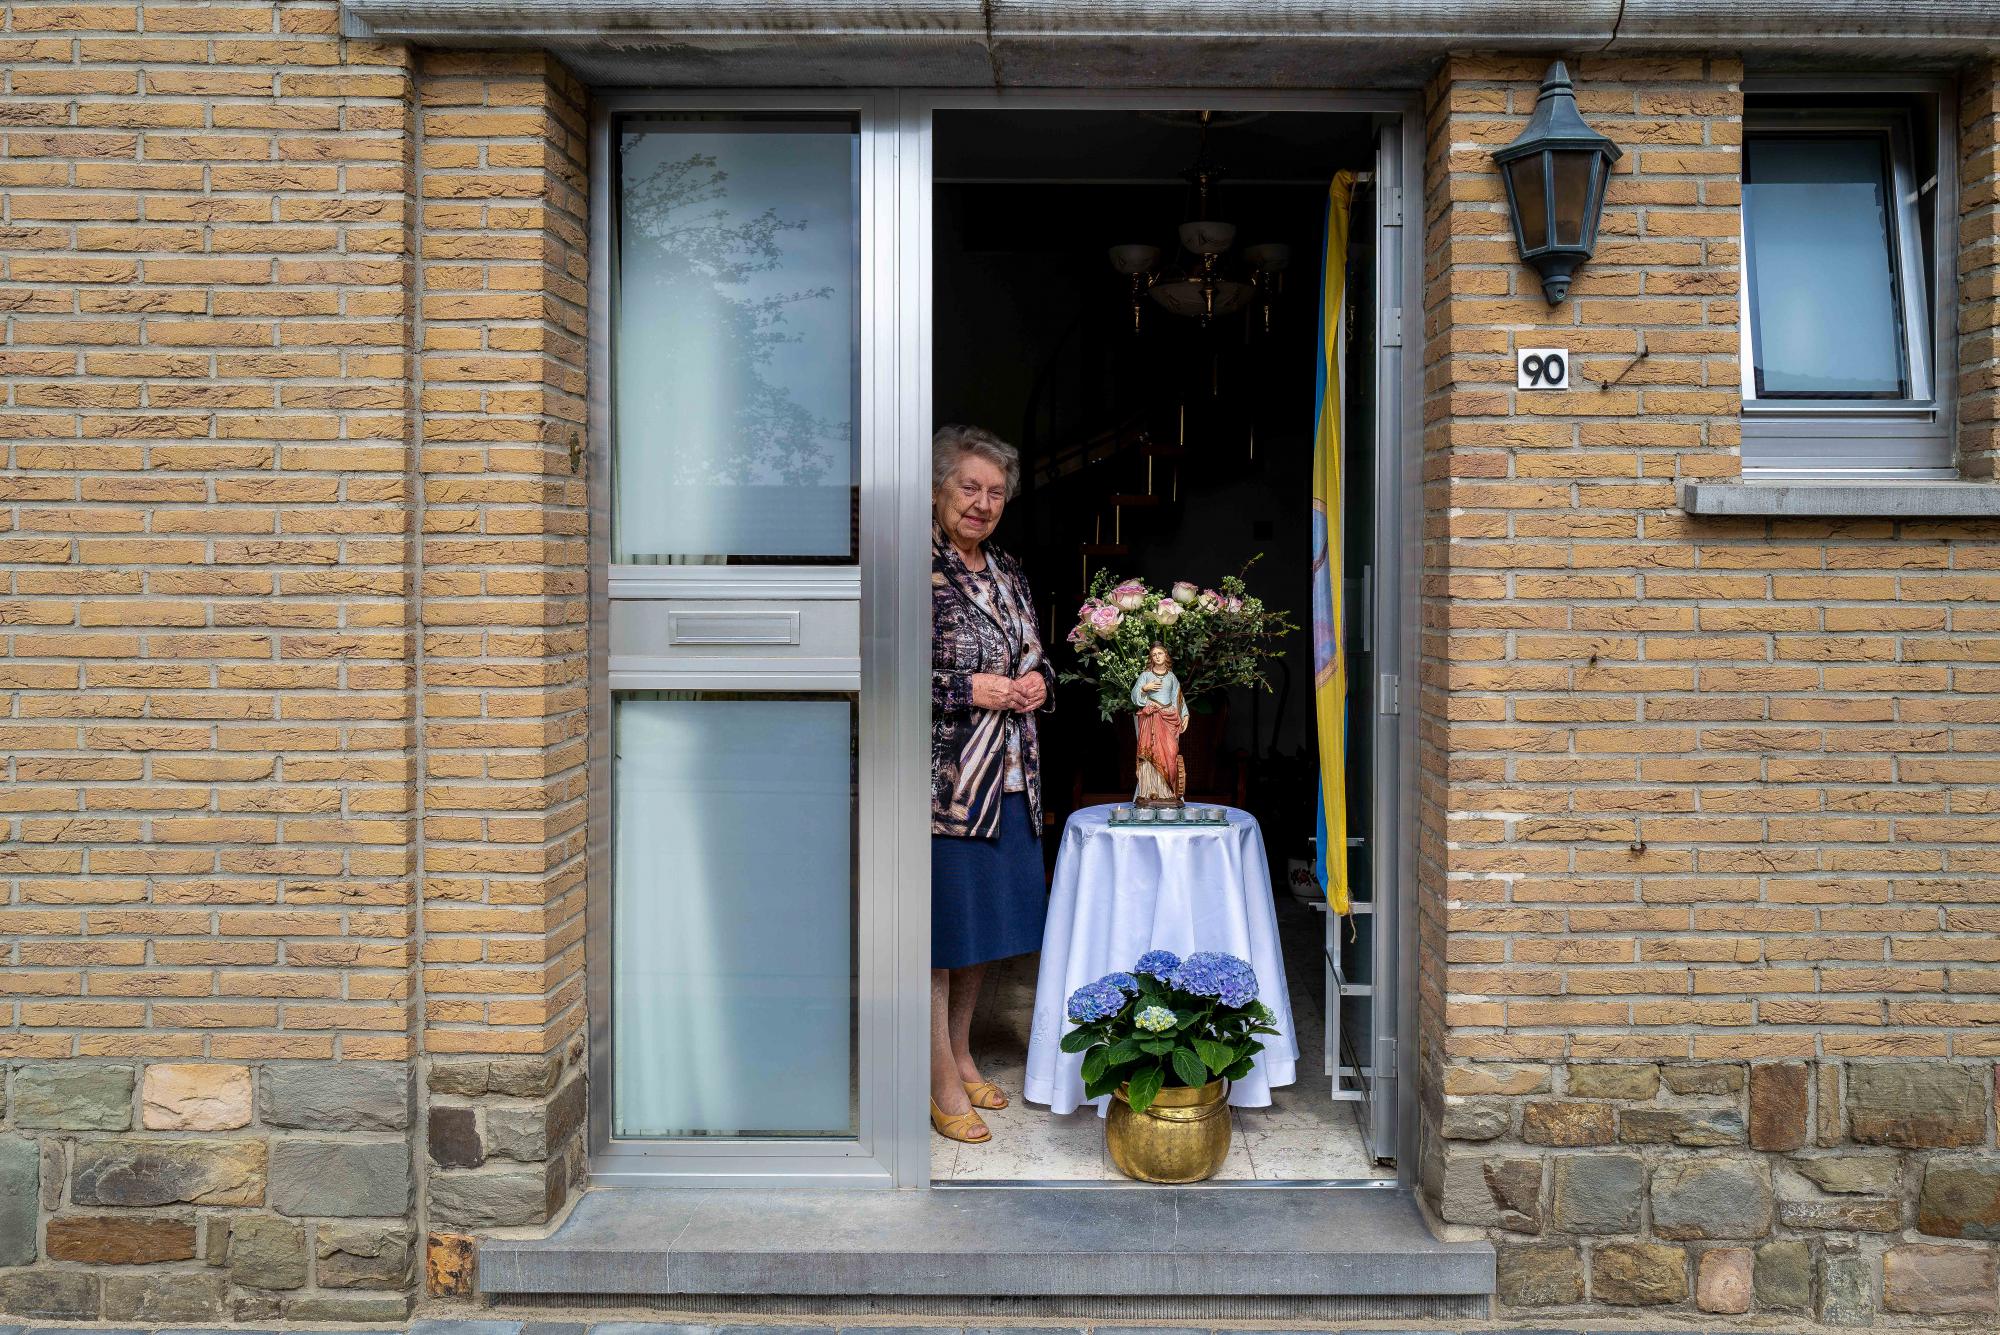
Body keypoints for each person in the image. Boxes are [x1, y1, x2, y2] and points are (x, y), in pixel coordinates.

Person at [929, 423, 1054, 1145]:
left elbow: (1037, 651)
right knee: (940, 936)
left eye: (995, 492)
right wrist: (963, 686)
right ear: (940, 490)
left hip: (1011, 779)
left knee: (979, 935)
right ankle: (938, 1077)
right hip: (946, 785)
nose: (981, 503)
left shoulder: (1006, 569)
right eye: (968, 487)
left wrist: (1039, 680)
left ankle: (962, 1050)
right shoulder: (917, 566)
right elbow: (878, 669)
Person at [1131, 642, 1188, 805]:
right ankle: (1150, 790)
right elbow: (1134, 696)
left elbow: (1178, 697)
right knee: (1150, 753)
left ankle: (1168, 792)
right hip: (1150, 718)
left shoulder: (1171, 677)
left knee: (1170, 752)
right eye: (1154, 654)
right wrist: (1144, 688)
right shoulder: (1145, 675)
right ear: (1151, 658)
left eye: (1160, 653)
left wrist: (1185, 714)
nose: (1157, 657)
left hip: (1168, 717)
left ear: (1166, 656)